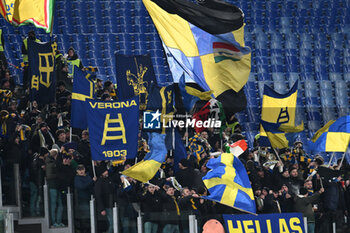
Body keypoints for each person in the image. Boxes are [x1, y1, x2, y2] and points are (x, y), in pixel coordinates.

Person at [74, 164, 93, 233]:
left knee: (89, 216)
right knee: (85, 216)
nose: (81, 171)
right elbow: (81, 187)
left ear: (84, 169)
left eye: (82, 169)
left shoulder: (88, 176)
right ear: (77, 171)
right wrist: (91, 181)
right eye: (79, 170)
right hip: (82, 200)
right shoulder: (77, 178)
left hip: (90, 199)